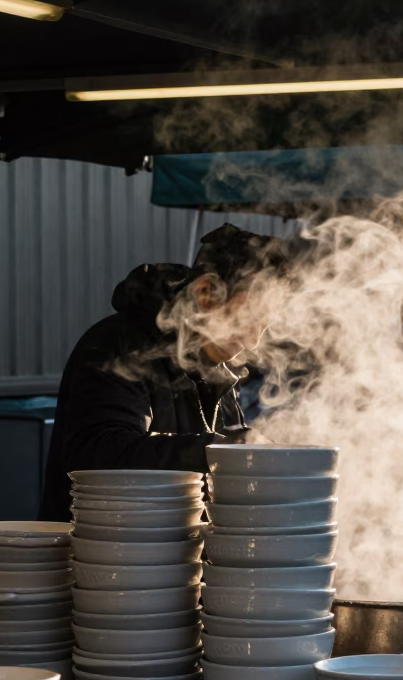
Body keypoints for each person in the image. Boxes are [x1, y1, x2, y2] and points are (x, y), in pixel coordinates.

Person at [39, 223, 281, 521]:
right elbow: (99, 456)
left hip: (182, 560)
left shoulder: (220, 370)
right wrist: (224, 450)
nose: (255, 340)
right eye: (253, 317)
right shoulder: (118, 345)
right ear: (206, 292)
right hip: (97, 555)